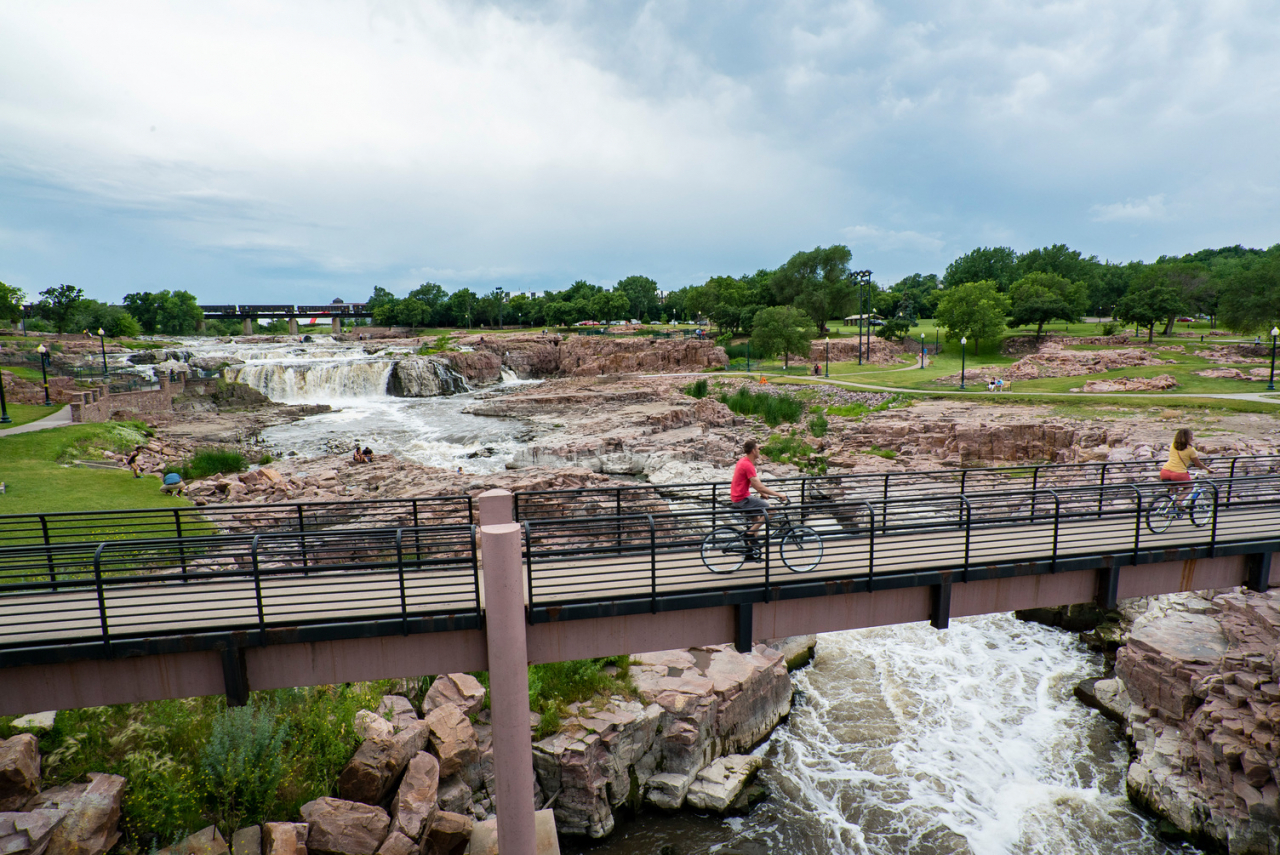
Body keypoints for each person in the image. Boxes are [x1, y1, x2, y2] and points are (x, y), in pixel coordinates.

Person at [730, 439, 788, 560]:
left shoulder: (743, 461)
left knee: (755, 519)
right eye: (758, 449)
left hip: (738, 497)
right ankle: (749, 535)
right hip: (743, 499)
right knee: (772, 510)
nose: (759, 451)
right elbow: (758, 485)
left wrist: (761, 493)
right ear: (753, 451)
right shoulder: (748, 465)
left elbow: (751, 483)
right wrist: (778, 494)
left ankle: (751, 552)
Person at [1160, 428, 1213, 508]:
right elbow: (1197, 464)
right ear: (1188, 437)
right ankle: (1179, 501)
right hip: (1178, 473)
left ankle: (1168, 510)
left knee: (1173, 491)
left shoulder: (1172, 445)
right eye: (1191, 435)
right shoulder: (1190, 450)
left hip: (1165, 472)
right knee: (1189, 487)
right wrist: (1208, 469)